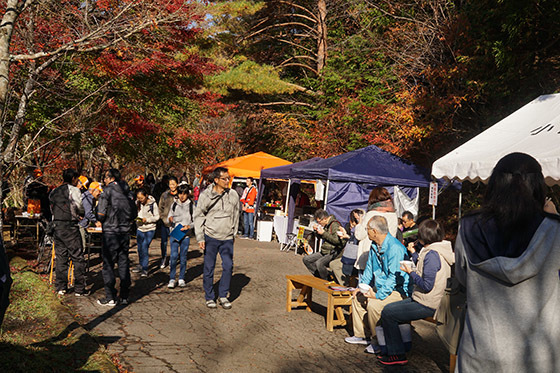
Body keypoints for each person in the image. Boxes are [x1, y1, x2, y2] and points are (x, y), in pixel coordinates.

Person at [454, 152, 560, 372]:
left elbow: (463, 279)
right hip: (540, 358)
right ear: (538, 185)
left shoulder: (468, 226)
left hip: (480, 355)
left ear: (495, 184)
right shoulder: (555, 229)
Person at [378, 219, 454, 365]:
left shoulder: (432, 254)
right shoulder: (438, 249)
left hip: (428, 303)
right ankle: (401, 346)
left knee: (388, 313)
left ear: (424, 236)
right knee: (392, 309)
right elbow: (426, 270)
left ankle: (397, 354)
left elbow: (426, 285)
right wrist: (413, 254)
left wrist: (410, 272)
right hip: (425, 298)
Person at [344, 215, 411, 355]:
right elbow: (369, 268)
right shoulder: (374, 245)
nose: (366, 231)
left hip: (398, 290)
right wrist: (360, 286)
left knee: (374, 305)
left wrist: (377, 295)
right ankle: (362, 335)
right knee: (358, 297)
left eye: (367, 229)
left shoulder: (395, 248)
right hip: (382, 286)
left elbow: (393, 277)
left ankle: (379, 341)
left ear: (374, 231)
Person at [193, 167, 239, 310]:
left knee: (228, 266)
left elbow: (236, 215)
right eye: (224, 179)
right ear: (216, 180)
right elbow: (199, 215)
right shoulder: (206, 195)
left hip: (227, 238)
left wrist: (234, 233)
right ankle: (209, 296)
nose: (227, 181)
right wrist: (200, 237)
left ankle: (223, 295)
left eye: (228, 178)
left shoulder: (233, 195)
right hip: (210, 236)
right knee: (209, 268)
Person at [96, 168, 137, 306]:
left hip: (110, 232)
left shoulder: (106, 192)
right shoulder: (129, 192)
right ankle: (125, 296)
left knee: (108, 265)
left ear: (111, 178)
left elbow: (100, 215)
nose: (104, 180)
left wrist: (101, 217)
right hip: (125, 232)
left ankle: (110, 296)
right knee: (123, 263)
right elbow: (133, 214)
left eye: (105, 178)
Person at [49, 168, 86, 296]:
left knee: (61, 258)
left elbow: (51, 208)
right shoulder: (74, 190)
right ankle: (79, 289)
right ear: (73, 178)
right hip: (70, 227)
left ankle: (60, 287)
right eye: (77, 178)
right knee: (77, 257)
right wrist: (81, 213)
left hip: (57, 227)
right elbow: (79, 205)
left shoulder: (54, 191)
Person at [354, 187, 399, 276]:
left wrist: (359, 223)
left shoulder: (371, 214)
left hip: (368, 254)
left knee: (365, 284)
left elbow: (359, 235)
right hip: (385, 254)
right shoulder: (393, 215)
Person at [302, 209, 347, 280]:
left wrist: (323, 233)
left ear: (324, 219)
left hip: (332, 251)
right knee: (306, 259)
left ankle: (327, 279)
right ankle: (320, 277)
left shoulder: (334, 225)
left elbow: (337, 240)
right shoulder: (327, 224)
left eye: (319, 222)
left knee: (319, 263)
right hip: (325, 250)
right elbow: (324, 236)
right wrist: (317, 231)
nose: (319, 223)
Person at [167, 183, 194, 288]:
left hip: (185, 235)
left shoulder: (191, 206)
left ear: (188, 194)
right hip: (174, 233)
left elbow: (195, 221)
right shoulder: (174, 204)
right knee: (173, 257)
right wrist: (170, 218)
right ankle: (172, 278)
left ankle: (181, 277)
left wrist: (189, 226)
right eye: (180, 194)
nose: (182, 196)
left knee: (183, 257)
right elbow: (170, 215)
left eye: (184, 194)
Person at [333, 209, 364, 285]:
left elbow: (358, 238)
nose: (351, 226)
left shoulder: (362, 228)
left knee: (336, 266)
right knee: (335, 265)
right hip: (349, 256)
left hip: (355, 257)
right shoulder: (354, 227)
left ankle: (345, 286)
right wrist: (346, 235)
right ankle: (346, 285)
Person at [134, 188, 159, 277]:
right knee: (140, 248)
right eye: (138, 198)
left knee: (145, 247)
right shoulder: (137, 203)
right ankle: (140, 265)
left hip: (150, 229)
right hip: (140, 228)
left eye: (141, 198)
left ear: (146, 196)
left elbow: (157, 217)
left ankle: (145, 268)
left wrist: (147, 220)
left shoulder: (153, 204)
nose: (140, 200)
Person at [158, 176, 178, 269]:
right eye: (170, 184)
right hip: (165, 223)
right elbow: (160, 207)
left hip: (177, 224)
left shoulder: (181, 194)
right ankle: (164, 258)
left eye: (173, 184)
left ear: (177, 184)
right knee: (164, 243)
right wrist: (162, 217)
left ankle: (172, 260)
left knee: (175, 243)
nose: (172, 186)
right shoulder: (165, 195)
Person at [78, 181, 103, 252]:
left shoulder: (86, 196)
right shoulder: (88, 198)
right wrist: (96, 221)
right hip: (81, 225)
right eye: (98, 191)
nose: (100, 193)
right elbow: (88, 213)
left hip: (81, 224)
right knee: (81, 247)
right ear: (92, 190)